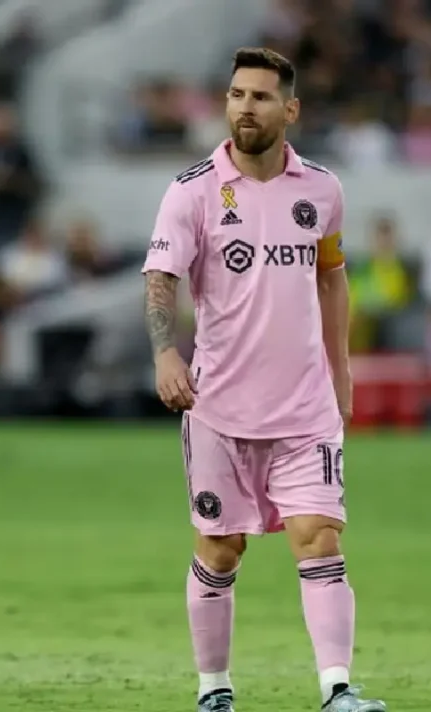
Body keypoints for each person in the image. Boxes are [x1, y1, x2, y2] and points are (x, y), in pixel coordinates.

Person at [141, 47, 385, 712]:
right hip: (220, 407)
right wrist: (167, 355)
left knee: (320, 537)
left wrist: (341, 373)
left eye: (260, 96)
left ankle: (338, 689)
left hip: (305, 407)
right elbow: (161, 279)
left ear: (290, 109)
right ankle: (213, 690)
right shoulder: (192, 191)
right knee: (220, 550)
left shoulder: (322, 190)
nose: (245, 107)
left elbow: (332, 277)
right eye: (236, 95)